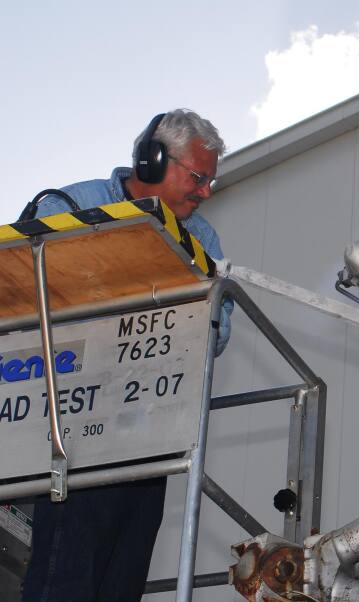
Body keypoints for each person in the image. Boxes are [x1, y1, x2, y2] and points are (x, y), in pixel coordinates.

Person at [21, 109, 232, 601]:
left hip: (148, 427)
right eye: (198, 178)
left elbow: (217, 338)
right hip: (75, 416)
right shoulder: (75, 203)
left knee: (122, 577)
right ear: (152, 160)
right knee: (66, 571)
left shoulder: (204, 240)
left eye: (210, 183)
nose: (205, 193)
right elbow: (18, 284)